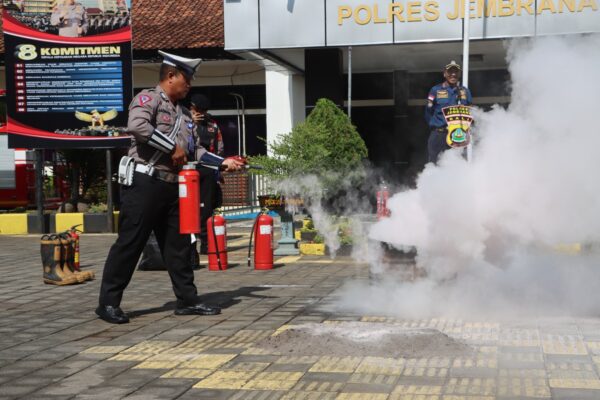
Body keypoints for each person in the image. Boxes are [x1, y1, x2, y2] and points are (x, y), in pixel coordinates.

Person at [96, 51, 243, 324]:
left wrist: (223, 163)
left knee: (177, 246)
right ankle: (108, 303)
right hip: (145, 183)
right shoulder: (147, 99)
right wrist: (170, 147)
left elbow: (193, 150)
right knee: (130, 243)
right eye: (186, 79)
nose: (189, 86)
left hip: (172, 186)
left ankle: (187, 300)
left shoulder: (185, 115)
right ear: (171, 76)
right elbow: (137, 126)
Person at [190, 94, 225, 255]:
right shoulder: (183, 120)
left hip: (208, 170)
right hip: (188, 170)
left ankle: (205, 243)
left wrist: (219, 170)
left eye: (203, 110)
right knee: (187, 208)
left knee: (207, 208)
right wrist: (190, 124)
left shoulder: (212, 124)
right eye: (198, 109)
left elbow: (219, 148)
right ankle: (189, 245)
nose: (200, 113)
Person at [424, 60, 472, 164]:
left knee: (458, 164)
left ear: (459, 74)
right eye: (450, 71)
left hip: (458, 135)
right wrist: (436, 127)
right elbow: (428, 112)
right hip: (439, 134)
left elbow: (469, 111)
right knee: (434, 164)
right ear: (445, 74)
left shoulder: (465, 91)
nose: (453, 74)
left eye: (456, 71)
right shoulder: (435, 90)